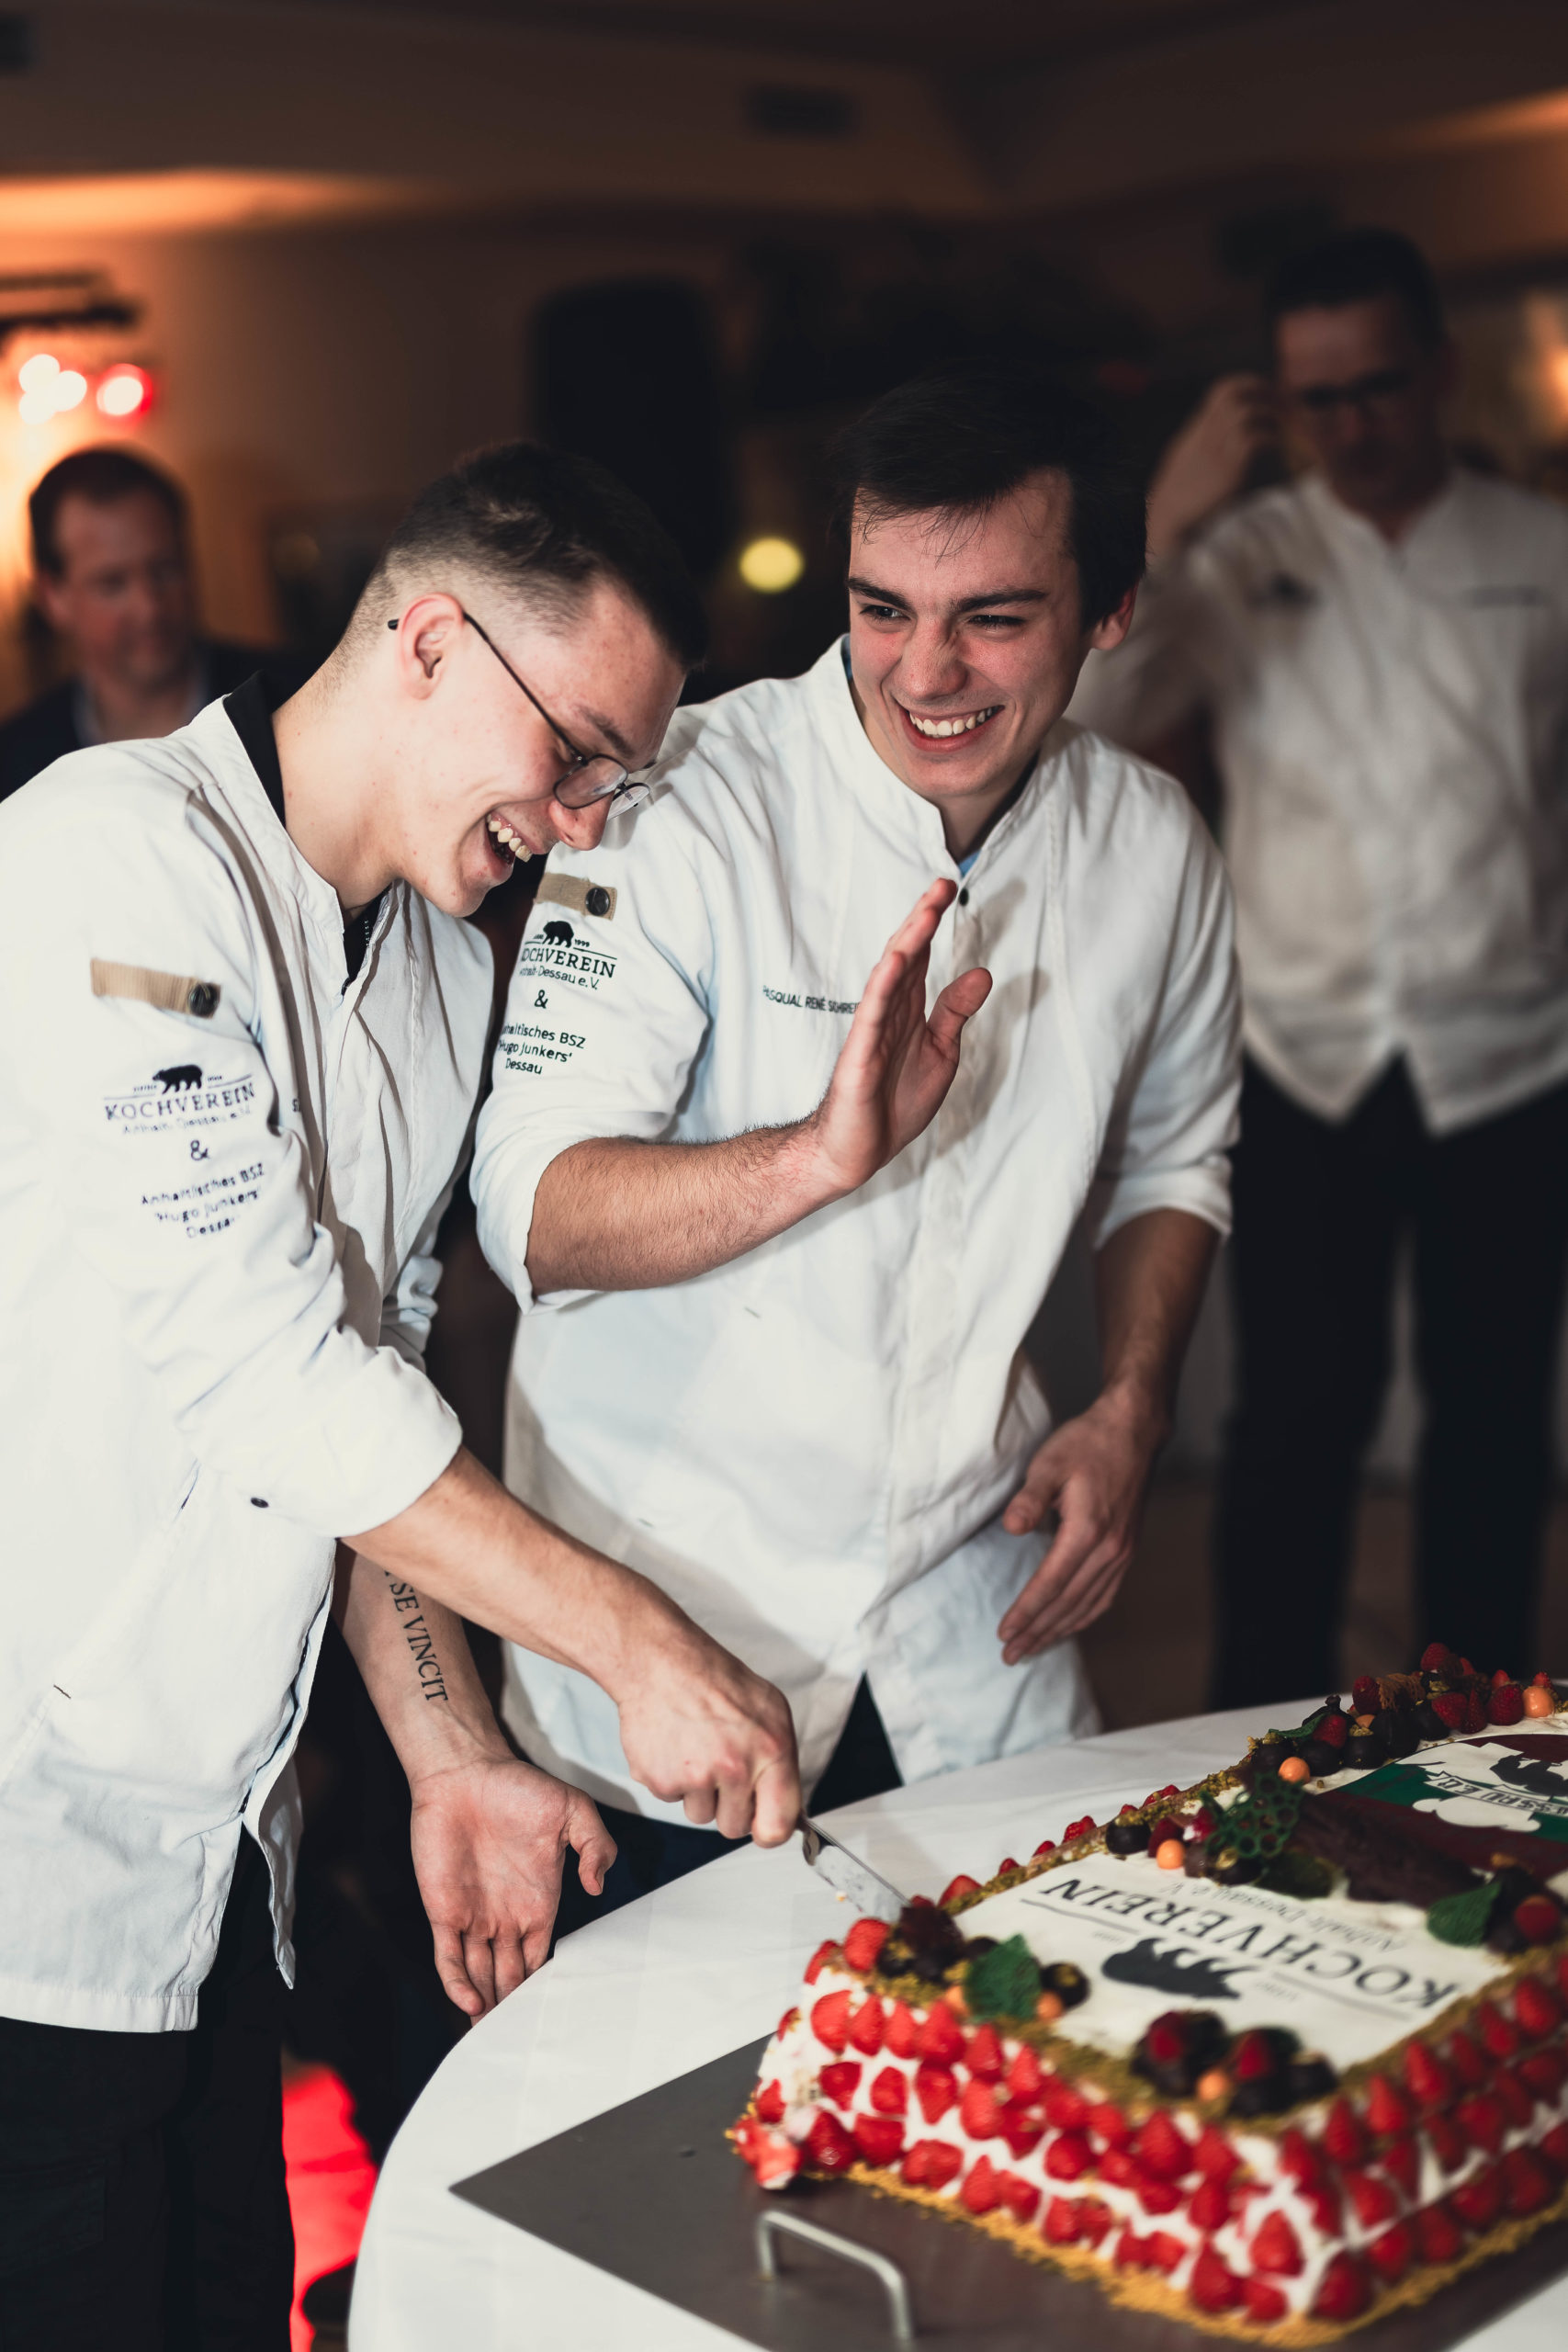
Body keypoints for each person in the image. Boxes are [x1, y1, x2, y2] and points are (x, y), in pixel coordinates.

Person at [0, 444, 810, 2351]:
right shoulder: (106, 851)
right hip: (27, 1849)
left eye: (625, 777)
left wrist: (449, 1757)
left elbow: (363, 1424)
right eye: (581, 753)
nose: (593, 820)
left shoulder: (446, 978)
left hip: (223, 1861)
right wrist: (628, 1636)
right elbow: (267, 1374)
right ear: (430, 637)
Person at [470, 363, 1242, 1925]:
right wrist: (813, 1158)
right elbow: (529, 1212)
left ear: (1108, 610)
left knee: (1017, 2072)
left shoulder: (1150, 844)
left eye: (993, 617)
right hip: (673, 1618)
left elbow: (1176, 1157)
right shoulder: (679, 800)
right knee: (686, 2131)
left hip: (974, 1614)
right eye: (880, 608)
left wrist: (1133, 1404)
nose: (923, 670)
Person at [1069, 228, 1568, 1705]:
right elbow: (1085, 725)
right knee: (1293, 1427)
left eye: (1374, 388)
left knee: (1489, 1431)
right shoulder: (1230, 560)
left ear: (1434, 371)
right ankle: (1259, 1738)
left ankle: (1475, 1740)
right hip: (1300, 1062)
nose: (1351, 425)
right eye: (1317, 398)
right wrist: (1162, 513)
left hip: (1513, 1062)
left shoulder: (1542, 551)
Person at [0, 446, 299, 802]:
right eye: (113, 584)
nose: (150, 608)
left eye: (165, 569)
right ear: (52, 597)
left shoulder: (292, 701)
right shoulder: (15, 766)